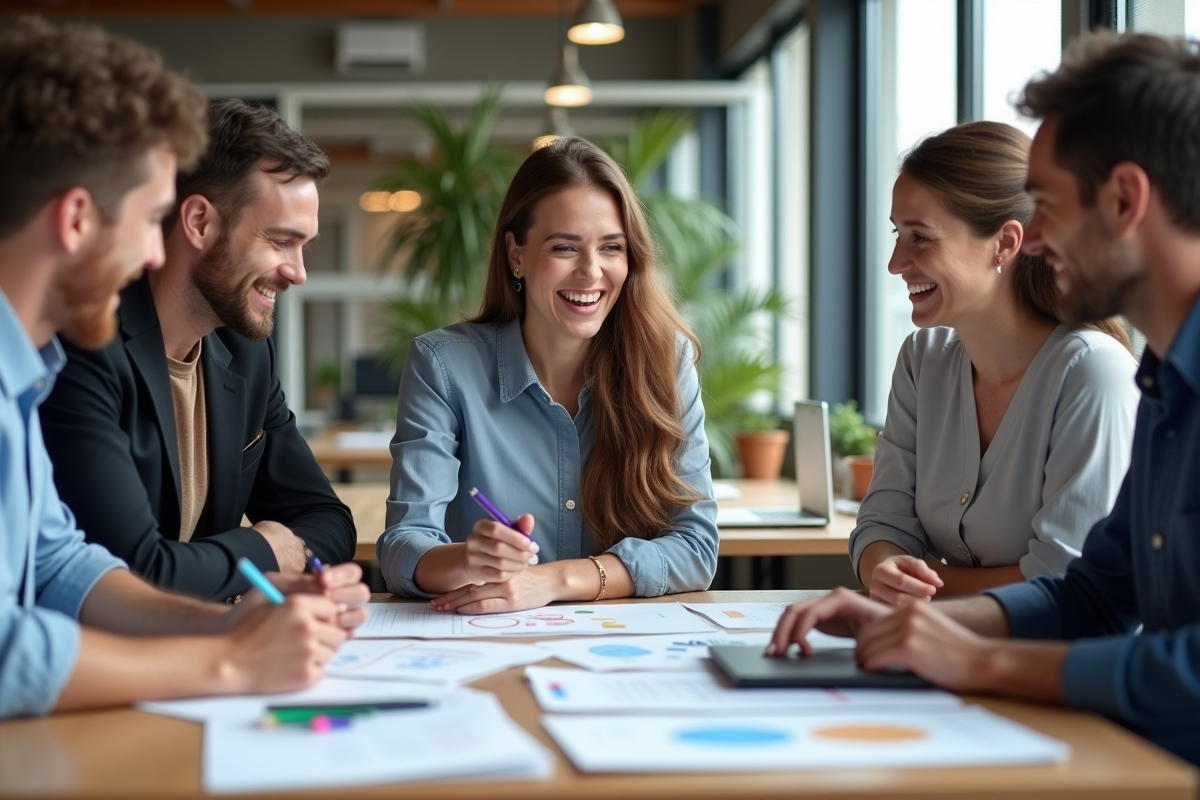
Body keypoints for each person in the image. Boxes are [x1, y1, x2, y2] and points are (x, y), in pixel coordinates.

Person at [771, 31, 1200, 766]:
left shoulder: (1104, 372)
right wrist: (915, 622)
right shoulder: (1165, 388)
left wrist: (975, 655)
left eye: (1048, 208)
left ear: (1125, 199)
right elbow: (1092, 596)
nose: (1032, 240)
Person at [0, 17, 366, 719]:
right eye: (147, 219)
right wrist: (228, 661)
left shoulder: (27, 370)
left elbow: (60, 565)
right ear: (77, 220)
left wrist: (230, 622)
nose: (155, 254)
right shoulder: (71, 358)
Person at [377, 137, 718, 613]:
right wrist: (467, 560)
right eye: (564, 248)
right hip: (489, 645)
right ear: (516, 254)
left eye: (611, 248)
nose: (591, 271)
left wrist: (554, 580)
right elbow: (401, 547)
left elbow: (696, 549)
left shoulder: (667, 362)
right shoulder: (443, 365)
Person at [39, 99, 356, 601]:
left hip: (214, 647)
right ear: (200, 223)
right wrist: (261, 549)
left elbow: (329, 521)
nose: (298, 272)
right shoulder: (85, 348)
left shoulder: (246, 353)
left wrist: (248, 565)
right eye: (280, 241)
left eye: (305, 246)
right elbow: (132, 572)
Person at [852, 121, 1139, 605]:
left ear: (1006, 243)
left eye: (920, 237)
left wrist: (916, 592)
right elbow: (884, 523)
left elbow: (1064, 587)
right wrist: (883, 566)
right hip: (946, 653)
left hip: (1055, 673)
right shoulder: (921, 362)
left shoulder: (1093, 374)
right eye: (897, 234)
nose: (895, 262)